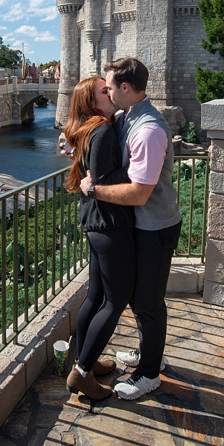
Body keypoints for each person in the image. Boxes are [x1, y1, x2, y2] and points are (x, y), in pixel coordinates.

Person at [80, 57, 180, 400]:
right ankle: (148, 350)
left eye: (109, 87)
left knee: (149, 301)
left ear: (125, 88)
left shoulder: (149, 131)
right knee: (139, 298)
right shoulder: (124, 117)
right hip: (138, 226)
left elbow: (139, 193)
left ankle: (150, 372)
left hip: (155, 227)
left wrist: (93, 190)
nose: (106, 91)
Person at [63, 75, 135, 403]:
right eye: (104, 91)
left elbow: (95, 173)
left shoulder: (89, 128)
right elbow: (105, 181)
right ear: (94, 102)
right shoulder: (102, 130)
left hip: (95, 222)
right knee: (114, 301)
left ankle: (85, 365)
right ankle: (82, 372)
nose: (111, 92)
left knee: (96, 295)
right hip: (109, 223)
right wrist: (136, 170)